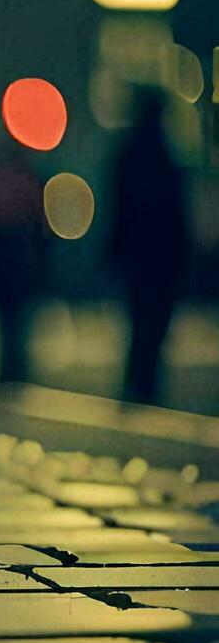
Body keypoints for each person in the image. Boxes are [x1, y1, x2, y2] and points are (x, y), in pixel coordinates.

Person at [108, 85, 191, 405]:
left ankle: (137, 384)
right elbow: (177, 216)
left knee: (139, 323)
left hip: (137, 260)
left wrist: (114, 254)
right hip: (163, 260)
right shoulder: (167, 155)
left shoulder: (127, 153)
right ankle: (147, 385)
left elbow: (119, 210)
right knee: (154, 325)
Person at [0, 137, 48, 384]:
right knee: (17, 318)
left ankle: (8, 367)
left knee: (4, 317)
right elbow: (38, 222)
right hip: (20, 258)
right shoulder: (28, 179)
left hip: (0, 260)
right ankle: (16, 366)